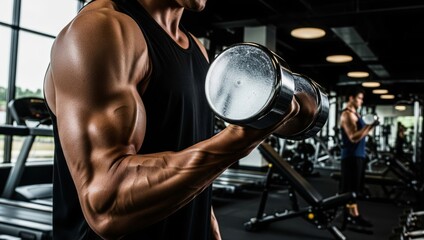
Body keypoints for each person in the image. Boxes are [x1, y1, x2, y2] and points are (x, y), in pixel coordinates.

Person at [43, 0, 300, 239]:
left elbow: (189, 146)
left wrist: (206, 219)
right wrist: (243, 137)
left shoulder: (197, 49)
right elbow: (107, 204)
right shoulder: (102, 30)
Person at [339, 87, 378, 231]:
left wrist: (371, 126)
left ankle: (349, 215)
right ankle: (352, 216)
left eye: (362, 98)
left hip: (359, 156)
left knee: (354, 188)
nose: (361, 101)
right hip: (351, 156)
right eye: (359, 98)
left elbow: (363, 133)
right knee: (350, 189)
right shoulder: (347, 115)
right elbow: (354, 137)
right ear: (351, 98)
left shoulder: (356, 114)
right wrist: (369, 126)